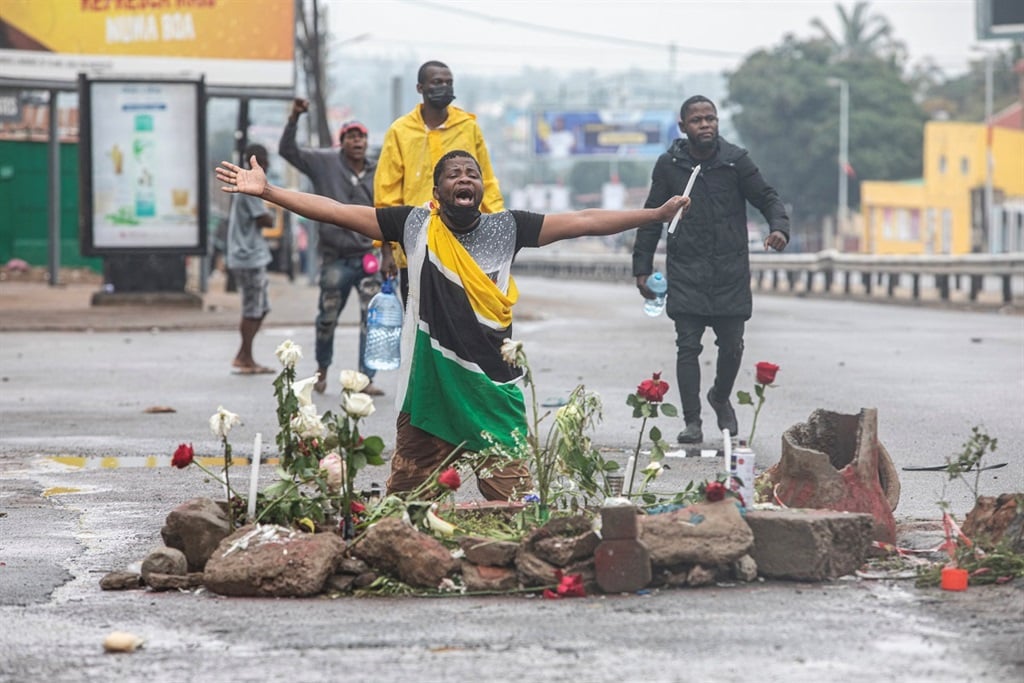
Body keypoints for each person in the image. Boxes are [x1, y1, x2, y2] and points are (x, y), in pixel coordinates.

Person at [217, 149, 690, 500]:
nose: (465, 178)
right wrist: (270, 192)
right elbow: (341, 212)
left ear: (481, 188)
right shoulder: (414, 225)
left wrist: (655, 214)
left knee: (515, 506)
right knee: (405, 506)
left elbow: (584, 220)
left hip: (493, 389)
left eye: (472, 173)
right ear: (437, 190)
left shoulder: (509, 228)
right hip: (430, 389)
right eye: (453, 174)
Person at [632, 95, 790, 445]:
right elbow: (651, 217)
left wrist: (779, 228)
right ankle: (692, 422)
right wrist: (642, 267)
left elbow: (766, 196)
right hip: (686, 269)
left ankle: (720, 396)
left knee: (732, 346)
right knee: (687, 347)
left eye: (711, 119)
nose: (705, 125)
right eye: (697, 120)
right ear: (683, 127)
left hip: (730, 271)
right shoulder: (669, 165)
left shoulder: (735, 162)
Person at [375, 60, 504, 304]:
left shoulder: (468, 128)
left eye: (449, 83)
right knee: (417, 318)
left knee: (463, 317)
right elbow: (387, 193)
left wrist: (497, 229)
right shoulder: (400, 132)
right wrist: (386, 250)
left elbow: (486, 180)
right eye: (437, 82)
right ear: (420, 88)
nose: (444, 87)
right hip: (415, 244)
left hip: (466, 242)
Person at [279, 100, 384, 396]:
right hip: (335, 259)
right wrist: (294, 118)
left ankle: (366, 378)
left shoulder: (380, 170)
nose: (358, 141)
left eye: (361, 137)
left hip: (368, 257)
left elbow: (391, 207)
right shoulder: (324, 162)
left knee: (371, 319)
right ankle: (322, 370)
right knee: (327, 318)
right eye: (351, 136)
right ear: (342, 142)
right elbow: (289, 152)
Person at [225, 144, 276, 375]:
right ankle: (245, 356)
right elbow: (265, 220)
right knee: (252, 308)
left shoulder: (246, 184)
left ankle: (245, 354)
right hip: (248, 256)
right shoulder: (250, 187)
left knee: (261, 307)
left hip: (251, 255)